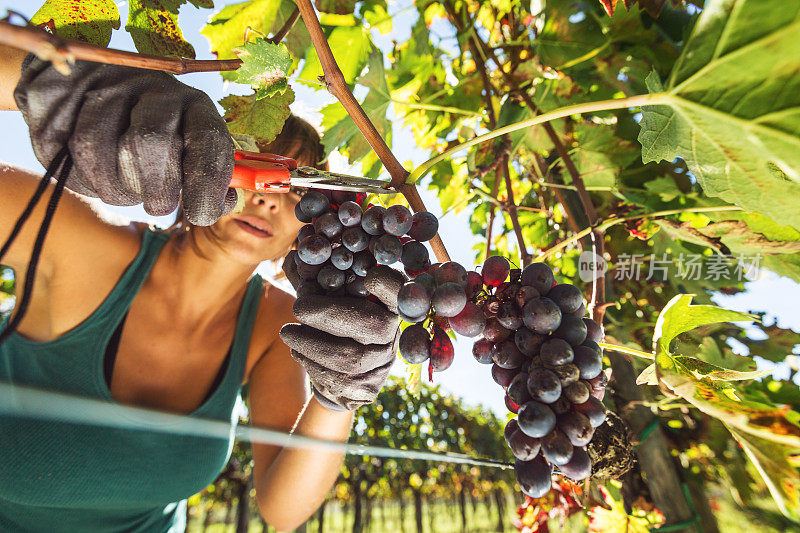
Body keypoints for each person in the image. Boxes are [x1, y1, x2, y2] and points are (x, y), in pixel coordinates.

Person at [0, 45, 402, 532]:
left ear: (309, 230)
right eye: (250, 168)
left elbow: (282, 511)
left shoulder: (281, 327)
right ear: (200, 166)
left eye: (292, 189)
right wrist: (58, 84)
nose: (265, 199)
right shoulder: (86, 246)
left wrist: (338, 401)